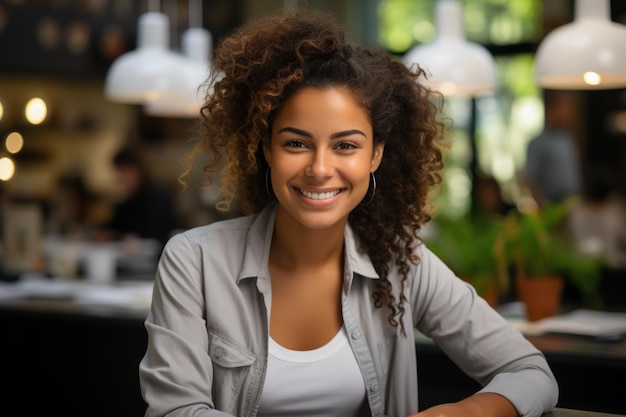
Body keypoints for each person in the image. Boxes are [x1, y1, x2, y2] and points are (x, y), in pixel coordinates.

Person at [139, 10, 558, 417]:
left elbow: (531, 373)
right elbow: (176, 410)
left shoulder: (400, 263)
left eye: (346, 145)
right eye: (296, 144)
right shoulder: (194, 261)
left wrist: (459, 414)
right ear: (266, 150)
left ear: (375, 155)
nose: (320, 169)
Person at [97, 146, 178, 252]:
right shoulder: (128, 201)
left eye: (123, 172)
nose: (119, 179)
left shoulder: (157, 198)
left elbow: (154, 236)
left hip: (156, 261)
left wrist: (116, 237)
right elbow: (113, 228)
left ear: (137, 171)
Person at [523, 90, 582, 207]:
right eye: (563, 108)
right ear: (551, 109)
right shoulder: (539, 143)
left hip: (573, 202)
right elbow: (529, 179)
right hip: (552, 205)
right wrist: (544, 206)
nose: (568, 113)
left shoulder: (567, 138)